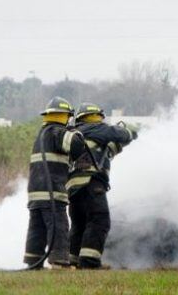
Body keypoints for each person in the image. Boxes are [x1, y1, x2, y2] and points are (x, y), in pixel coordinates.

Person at [67, 102, 137, 269]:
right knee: (99, 220)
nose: (98, 120)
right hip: (91, 182)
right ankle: (89, 263)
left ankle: (72, 261)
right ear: (92, 118)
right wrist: (131, 132)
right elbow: (121, 134)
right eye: (96, 117)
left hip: (73, 188)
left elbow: (103, 151)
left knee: (79, 224)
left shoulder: (75, 134)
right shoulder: (96, 129)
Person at [24, 96, 85, 269]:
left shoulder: (42, 135)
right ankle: (59, 263)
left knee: (37, 230)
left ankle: (32, 262)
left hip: (36, 193)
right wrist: (76, 132)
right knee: (59, 227)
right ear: (66, 116)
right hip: (52, 192)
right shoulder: (58, 133)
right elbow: (76, 145)